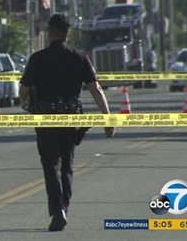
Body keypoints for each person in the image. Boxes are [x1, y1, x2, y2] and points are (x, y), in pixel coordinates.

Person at [19, 14, 115, 232]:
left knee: (50, 165)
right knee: (67, 166)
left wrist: (26, 102)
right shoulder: (79, 57)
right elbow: (96, 89)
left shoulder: (38, 58)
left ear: (49, 31)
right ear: (68, 32)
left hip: (46, 119)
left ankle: (57, 211)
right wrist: (107, 118)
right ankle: (64, 207)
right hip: (71, 117)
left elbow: (23, 91)